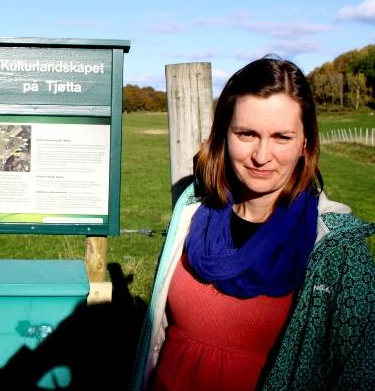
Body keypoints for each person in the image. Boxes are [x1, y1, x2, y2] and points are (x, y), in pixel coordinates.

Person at [132, 57, 375, 391]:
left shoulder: (337, 250)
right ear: (223, 134)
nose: (262, 156)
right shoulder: (191, 212)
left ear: (305, 143)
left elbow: (360, 373)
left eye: (281, 137)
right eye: (247, 134)